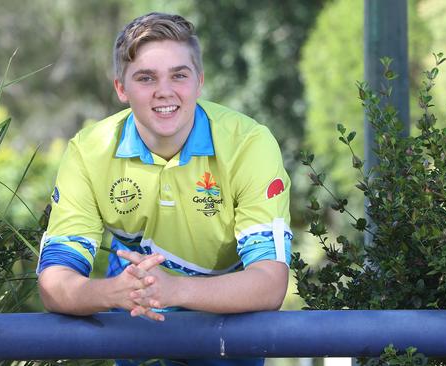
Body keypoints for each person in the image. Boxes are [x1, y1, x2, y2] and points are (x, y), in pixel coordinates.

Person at [37, 12, 292, 366]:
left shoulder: (250, 144)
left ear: (199, 81)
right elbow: (54, 281)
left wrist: (173, 289)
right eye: (146, 78)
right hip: (137, 319)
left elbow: (270, 282)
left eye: (179, 75)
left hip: (228, 328)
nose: (165, 91)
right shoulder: (88, 150)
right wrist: (113, 292)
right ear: (121, 88)